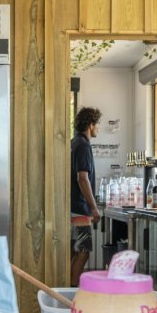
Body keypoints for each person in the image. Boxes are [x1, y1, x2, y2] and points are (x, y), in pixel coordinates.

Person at [70, 106, 102, 286]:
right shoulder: (83, 145)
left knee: (72, 252)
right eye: (97, 124)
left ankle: (65, 288)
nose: (98, 128)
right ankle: (72, 290)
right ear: (90, 125)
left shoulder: (73, 142)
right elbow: (82, 178)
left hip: (72, 207)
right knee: (83, 251)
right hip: (80, 209)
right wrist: (94, 207)